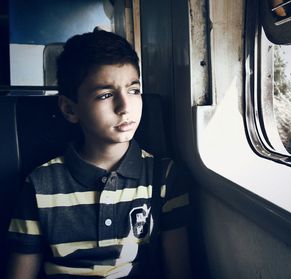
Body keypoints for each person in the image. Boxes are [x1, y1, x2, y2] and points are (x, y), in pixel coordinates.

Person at [7, 30, 192, 279]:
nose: (125, 107)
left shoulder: (164, 177)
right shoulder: (40, 186)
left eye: (134, 90)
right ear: (70, 109)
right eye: (105, 95)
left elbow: (179, 272)